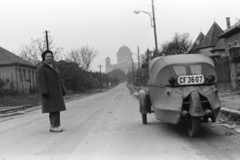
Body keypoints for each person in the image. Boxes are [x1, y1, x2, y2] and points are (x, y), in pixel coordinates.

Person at [37, 50, 67, 132]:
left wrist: (63, 90)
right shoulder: (42, 68)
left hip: (57, 92)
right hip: (49, 93)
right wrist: (44, 92)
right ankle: (55, 126)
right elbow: (41, 81)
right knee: (54, 109)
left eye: (50, 56)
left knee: (54, 110)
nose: (49, 58)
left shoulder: (54, 66)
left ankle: (52, 125)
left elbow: (59, 79)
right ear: (44, 58)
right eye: (47, 56)